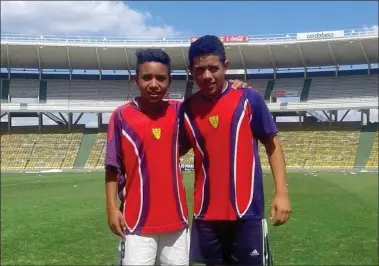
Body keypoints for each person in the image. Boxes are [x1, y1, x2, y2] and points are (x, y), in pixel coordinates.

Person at [104, 48, 248, 265]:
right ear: (136, 80)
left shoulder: (180, 112)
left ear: (169, 81)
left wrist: (235, 88)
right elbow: (112, 168)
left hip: (177, 224)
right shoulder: (121, 116)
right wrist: (112, 208)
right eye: (147, 77)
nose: (154, 84)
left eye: (161, 78)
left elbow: (216, 108)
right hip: (135, 223)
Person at [180, 35, 292, 265]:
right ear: (191, 70)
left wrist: (281, 193)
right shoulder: (187, 110)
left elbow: (272, 144)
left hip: (247, 214)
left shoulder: (249, 99)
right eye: (200, 70)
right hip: (205, 216)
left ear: (226, 66)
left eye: (214, 68)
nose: (207, 76)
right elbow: (171, 151)